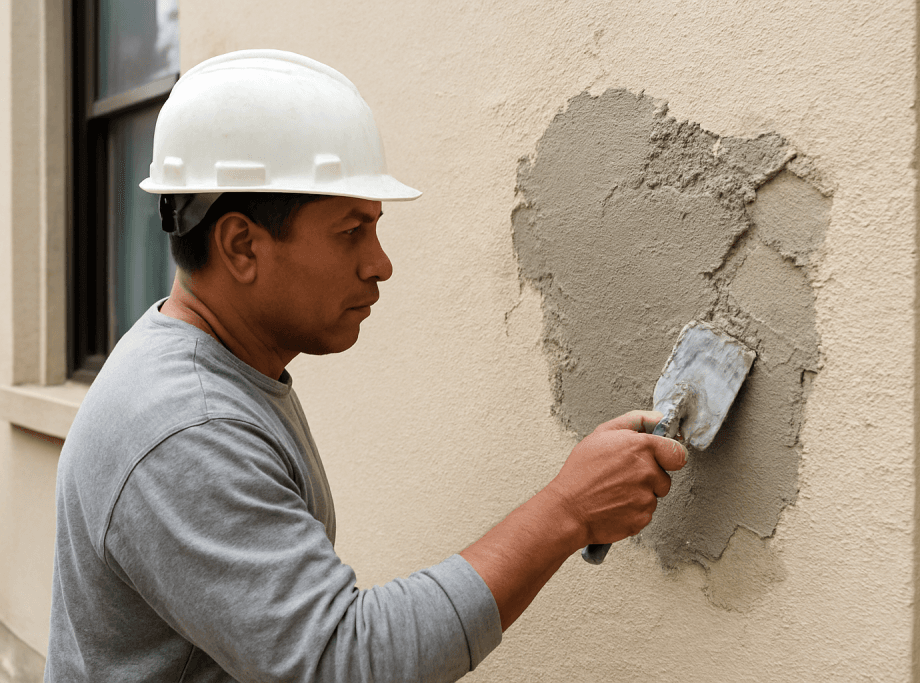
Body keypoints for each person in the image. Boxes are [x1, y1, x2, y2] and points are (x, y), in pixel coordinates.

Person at [45, 50, 685, 682]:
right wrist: (567, 511)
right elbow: (341, 663)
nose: (379, 263)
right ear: (242, 245)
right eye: (352, 230)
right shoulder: (187, 428)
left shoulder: (210, 364)